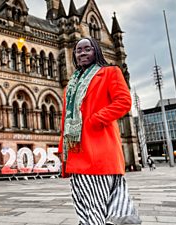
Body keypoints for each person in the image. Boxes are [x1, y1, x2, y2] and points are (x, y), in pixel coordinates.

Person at [58, 37, 141, 225]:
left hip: (99, 151)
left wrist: (96, 119)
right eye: (78, 50)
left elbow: (124, 102)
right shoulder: (70, 86)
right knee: (84, 206)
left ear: (96, 51)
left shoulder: (110, 72)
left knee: (95, 207)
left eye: (87, 49)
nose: (82, 53)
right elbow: (65, 121)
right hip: (76, 153)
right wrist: (61, 149)